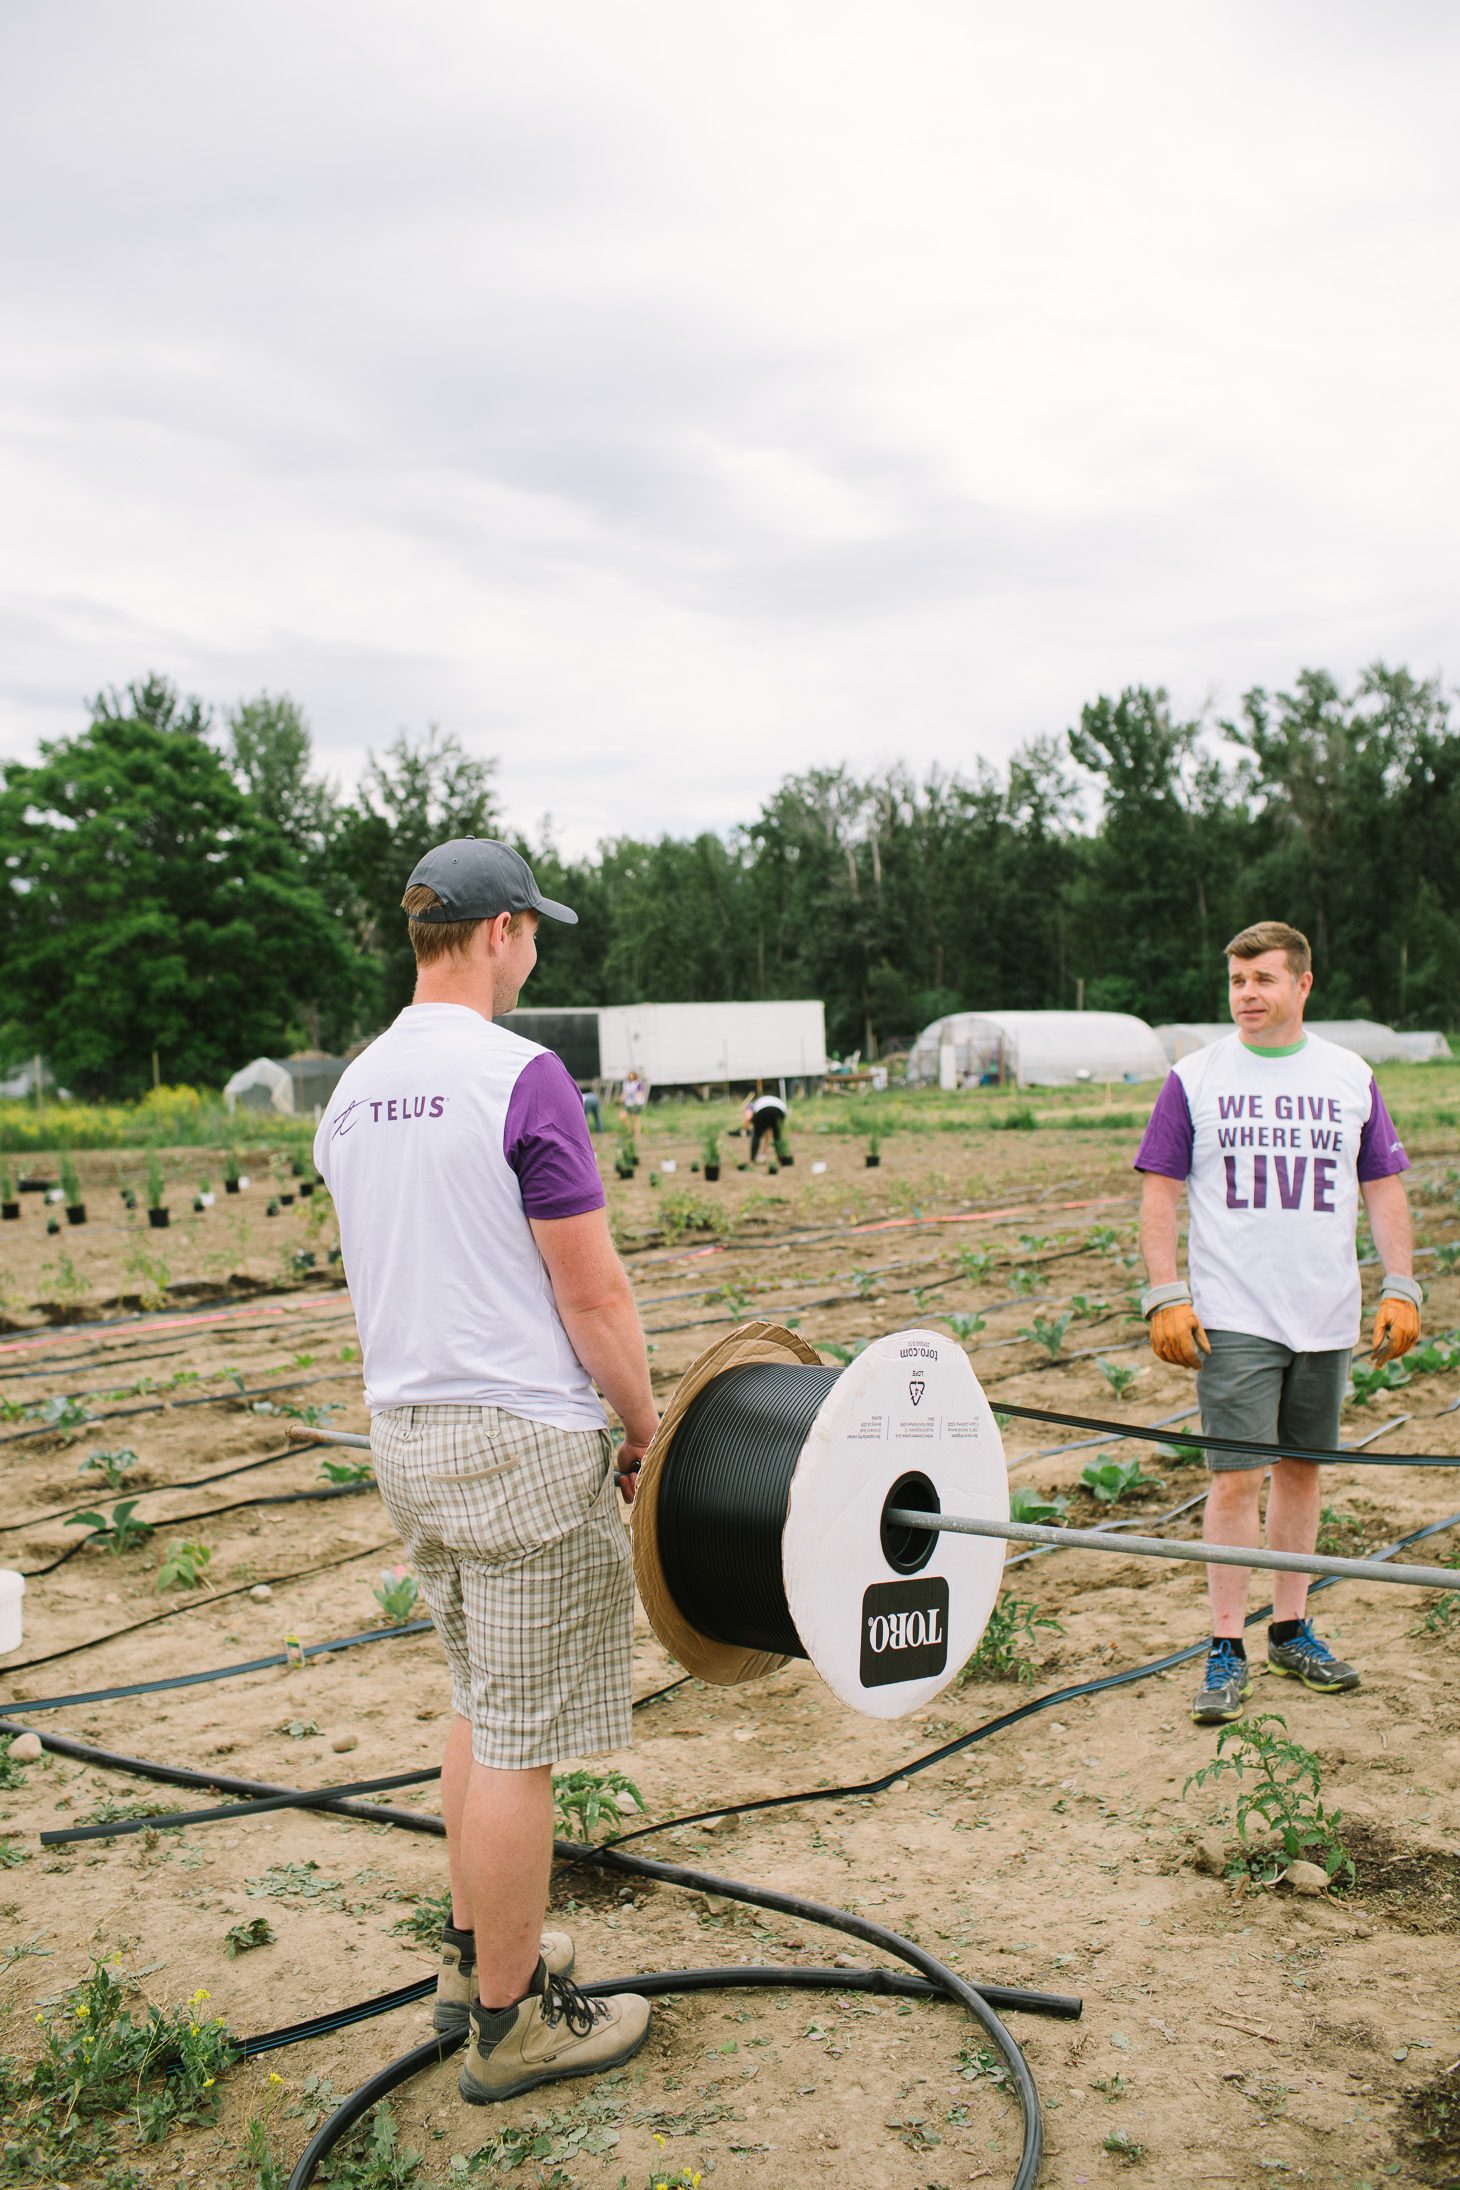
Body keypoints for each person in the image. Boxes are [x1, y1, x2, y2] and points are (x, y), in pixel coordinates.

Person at [315, 837, 658, 2103]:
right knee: (519, 1738)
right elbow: (591, 1287)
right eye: (534, 933)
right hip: (520, 1439)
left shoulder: (350, 1090)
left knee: (473, 1699)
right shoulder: (522, 1076)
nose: (534, 956)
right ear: (502, 929)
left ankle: (473, 1958)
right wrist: (642, 1423)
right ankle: (512, 2027)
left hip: (407, 1432)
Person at [1134, 920, 1421, 1727]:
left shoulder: (1348, 1075)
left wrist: (1401, 1285)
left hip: (1326, 1313)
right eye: (1236, 981)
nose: (1246, 996)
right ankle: (1227, 1642)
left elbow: (1384, 1187)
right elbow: (1159, 1187)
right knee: (1235, 1475)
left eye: (1262, 979)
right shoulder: (1195, 1078)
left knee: (1301, 1472)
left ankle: (1291, 1628)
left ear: (1303, 983)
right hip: (1233, 1314)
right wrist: (1166, 1293)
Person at [743, 1089, 788, 1162]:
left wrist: (746, 1127)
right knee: (777, 1136)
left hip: (762, 1111)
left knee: (757, 1135)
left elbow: (748, 1117)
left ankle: (753, 1158)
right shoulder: (777, 1100)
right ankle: (781, 1157)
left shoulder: (754, 1102)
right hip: (780, 1111)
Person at [620, 1068, 648, 1145]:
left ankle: (637, 1135)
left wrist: (637, 1097)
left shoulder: (638, 1083)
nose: (631, 1077)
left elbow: (640, 1092)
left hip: (636, 1104)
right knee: (622, 1116)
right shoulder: (626, 1083)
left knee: (635, 1120)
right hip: (628, 1103)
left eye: (632, 1075)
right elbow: (625, 1093)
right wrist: (622, 1097)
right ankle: (630, 1130)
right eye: (630, 1075)